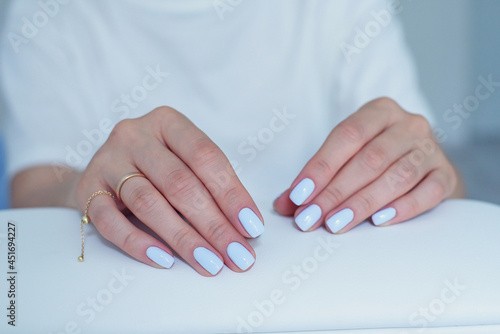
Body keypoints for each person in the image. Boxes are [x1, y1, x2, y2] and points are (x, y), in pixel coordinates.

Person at [0, 0, 465, 276]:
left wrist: (423, 166)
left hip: (327, 296)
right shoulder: (46, 13)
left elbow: (442, 179)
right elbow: (32, 197)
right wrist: (86, 189)